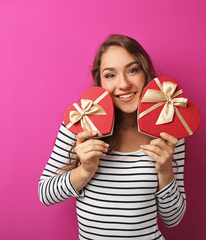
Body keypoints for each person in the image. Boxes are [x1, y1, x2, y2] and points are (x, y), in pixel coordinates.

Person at [38, 34, 186, 239]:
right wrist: (85, 170)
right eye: (110, 75)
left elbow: (173, 219)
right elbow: (45, 194)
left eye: (132, 70)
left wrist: (165, 171)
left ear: (145, 74)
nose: (123, 84)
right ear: (99, 82)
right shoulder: (80, 122)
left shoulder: (168, 129)